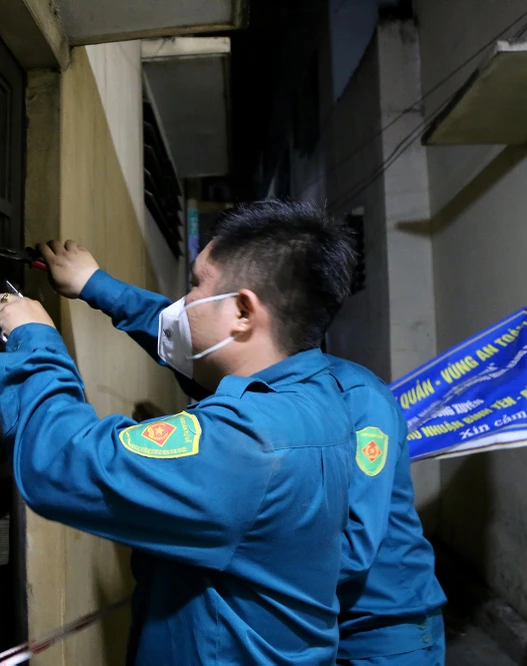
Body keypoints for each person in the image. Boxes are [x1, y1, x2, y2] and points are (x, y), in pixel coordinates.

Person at [36, 200, 448, 665]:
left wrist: (220, 505)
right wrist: (95, 285)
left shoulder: (355, 398)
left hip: (381, 634)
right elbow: (192, 333)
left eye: (195, 286)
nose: (186, 305)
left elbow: (348, 550)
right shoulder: (271, 383)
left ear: (247, 312)